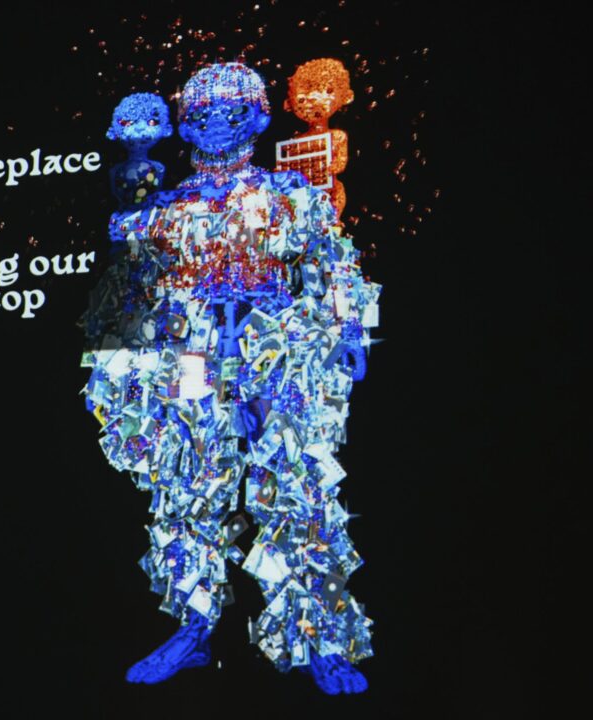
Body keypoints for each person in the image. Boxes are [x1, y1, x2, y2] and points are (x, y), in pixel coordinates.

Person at [79, 62, 380, 694]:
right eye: (204, 114)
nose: (218, 123)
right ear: (185, 124)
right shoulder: (164, 208)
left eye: (233, 111)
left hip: (276, 352)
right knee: (187, 491)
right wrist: (114, 361)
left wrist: (349, 330)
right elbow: (126, 289)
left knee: (299, 486)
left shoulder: (289, 195)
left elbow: (334, 263)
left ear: (259, 117)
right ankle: (193, 626)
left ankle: (320, 637)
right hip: (190, 356)